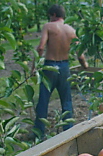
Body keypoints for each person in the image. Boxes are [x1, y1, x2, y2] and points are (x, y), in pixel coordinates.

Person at [33, 4, 88, 137]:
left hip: (50, 65)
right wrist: (85, 65)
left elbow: (41, 47)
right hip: (64, 67)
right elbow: (79, 53)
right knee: (66, 100)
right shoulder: (71, 30)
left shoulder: (48, 26)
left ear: (54, 15)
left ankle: (39, 133)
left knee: (43, 100)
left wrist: (34, 66)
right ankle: (68, 130)